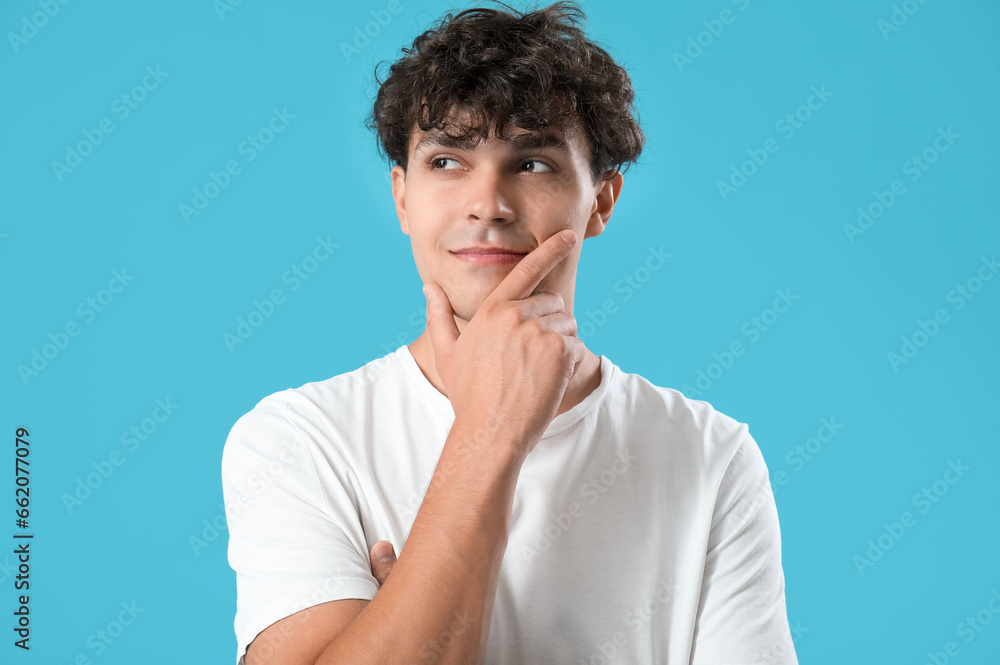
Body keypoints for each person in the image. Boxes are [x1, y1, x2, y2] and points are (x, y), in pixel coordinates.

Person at [221, 2, 798, 663]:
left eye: (532, 163)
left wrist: (405, 617)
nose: (487, 203)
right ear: (402, 196)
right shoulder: (299, 438)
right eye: (446, 161)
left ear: (601, 202)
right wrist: (488, 431)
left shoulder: (712, 456)